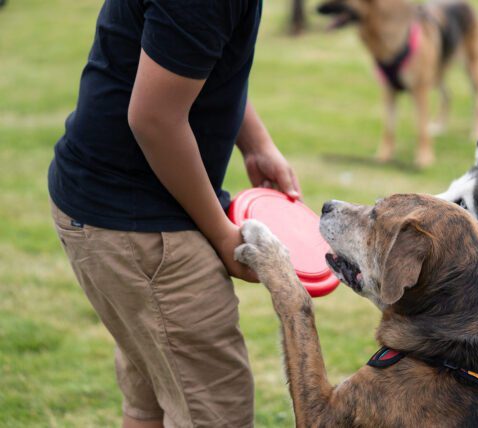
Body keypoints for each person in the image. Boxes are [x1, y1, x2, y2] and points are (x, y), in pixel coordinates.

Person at [47, 1, 300, 427]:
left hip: (112, 208)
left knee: (152, 406)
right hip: (140, 226)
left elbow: (189, 59)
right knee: (216, 414)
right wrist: (223, 235)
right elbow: (154, 118)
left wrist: (255, 142)